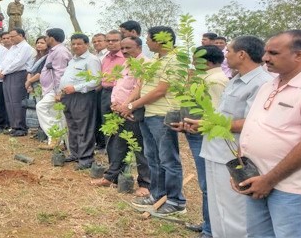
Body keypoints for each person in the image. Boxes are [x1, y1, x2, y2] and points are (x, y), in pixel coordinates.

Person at [235, 30, 301, 237]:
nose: (265, 58)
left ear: (298, 56)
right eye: (265, 52)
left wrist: (269, 180)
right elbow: (254, 126)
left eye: (273, 53)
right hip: (256, 179)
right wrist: (240, 168)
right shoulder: (269, 85)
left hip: (291, 188)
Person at [184, 35, 272, 238]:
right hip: (216, 150)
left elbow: (252, 122)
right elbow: (223, 115)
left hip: (234, 155)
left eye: (229, 51)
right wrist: (205, 125)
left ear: (242, 54)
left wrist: (212, 124)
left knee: (235, 210)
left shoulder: (263, 84)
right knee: (218, 207)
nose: (225, 55)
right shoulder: (235, 80)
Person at [121, 26, 185, 216]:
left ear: (160, 40)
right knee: (153, 158)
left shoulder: (175, 61)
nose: (146, 42)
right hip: (149, 114)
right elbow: (141, 86)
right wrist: (128, 104)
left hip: (164, 115)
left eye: (149, 39)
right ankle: (158, 194)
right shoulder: (155, 61)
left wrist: (132, 106)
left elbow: (160, 90)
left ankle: (176, 201)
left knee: (168, 160)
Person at [174, 45, 228, 238]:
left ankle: (211, 230)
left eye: (196, 59)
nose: (193, 62)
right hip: (197, 132)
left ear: (208, 60)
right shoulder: (204, 78)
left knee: (209, 184)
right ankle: (208, 225)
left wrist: (197, 126)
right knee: (206, 184)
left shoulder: (215, 81)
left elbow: (215, 113)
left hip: (206, 135)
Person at [97, 37, 151, 195]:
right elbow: (119, 86)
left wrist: (127, 106)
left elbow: (139, 88)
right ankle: (111, 177)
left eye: (129, 48)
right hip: (120, 109)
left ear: (139, 47)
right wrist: (115, 104)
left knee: (137, 146)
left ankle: (145, 184)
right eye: (123, 48)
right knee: (117, 144)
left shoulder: (145, 64)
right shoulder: (126, 63)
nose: (125, 51)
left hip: (133, 110)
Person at [59, 33, 102, 170]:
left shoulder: (91, 60)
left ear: (86, 45)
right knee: (72, 126)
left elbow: (96, 81)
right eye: (73, 44)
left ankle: (86, 158)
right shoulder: (73, 60)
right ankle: (75, 153)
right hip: (68, 96)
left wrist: (76, 88)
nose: (76, 46)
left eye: (79, 43)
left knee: (84, 127)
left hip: (82, 96)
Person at [36, 28, 72, 149]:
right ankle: (58, 141)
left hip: (56, 90)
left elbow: (59, 73)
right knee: (55, 113)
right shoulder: (53, 51)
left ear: (51, 38)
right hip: (50, 89)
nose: (45, 39)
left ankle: (55, 136)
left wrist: (58, 92)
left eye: (46, 37)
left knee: (41, 107)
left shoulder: (60, 52)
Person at [0, 28, 35, 136]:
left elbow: (18, 63)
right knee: (9, 101)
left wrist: (3, 72)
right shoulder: (13, 48)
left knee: (18, 101)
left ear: (21, 36)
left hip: (18, 74)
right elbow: (5, 61)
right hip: (7, 75)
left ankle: (21, 127)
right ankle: (14, 125)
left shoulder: (26, 47)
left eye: (12, 36)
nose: (10, 39)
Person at [24, 36, 48, 136]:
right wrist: (29, 84)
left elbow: (41, 73)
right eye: (38, 42)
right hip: (32, 84)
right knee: (33, 106)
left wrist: (29, 81)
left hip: (42, 84)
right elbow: (30, 70)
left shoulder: (48, 57)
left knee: (42, 107)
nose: (39, 44)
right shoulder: (36, 58)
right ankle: (34, 128)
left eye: (42, 43)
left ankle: (44, 130)